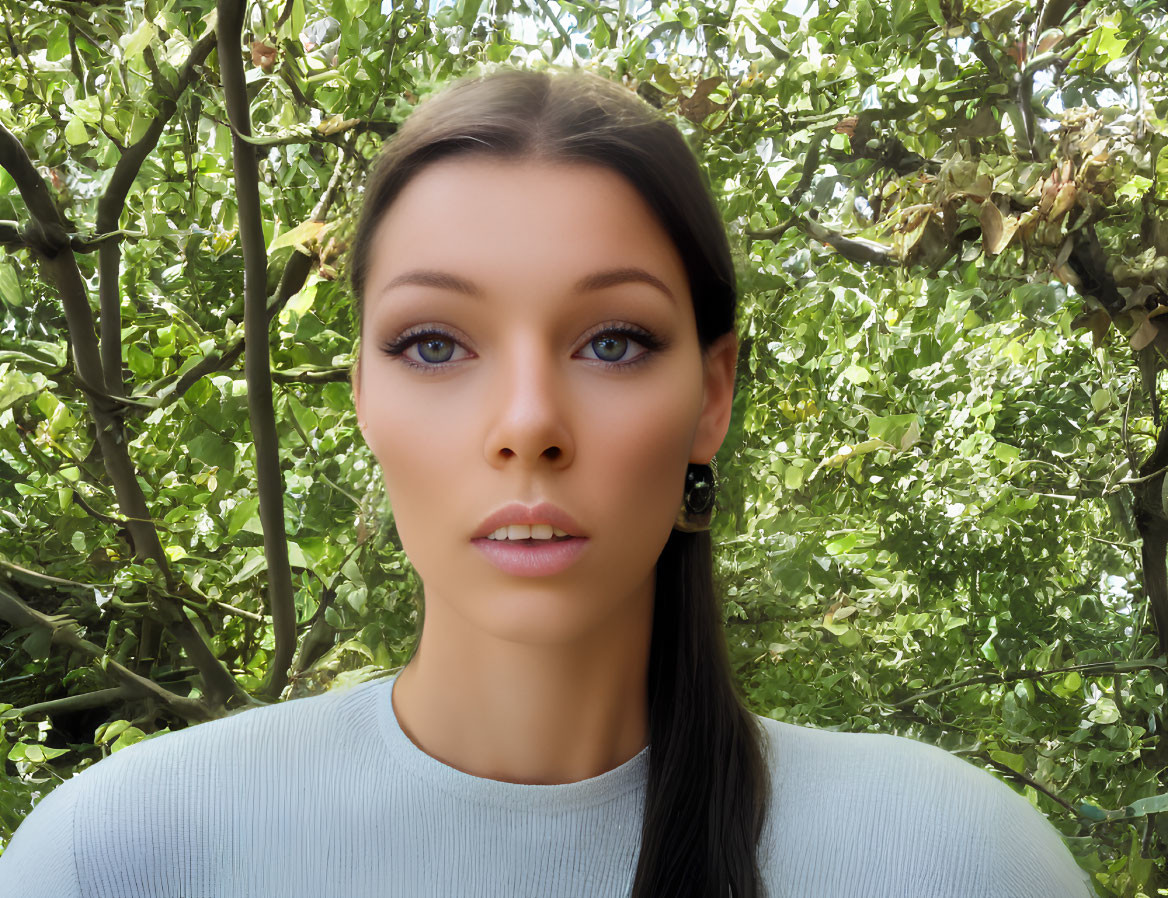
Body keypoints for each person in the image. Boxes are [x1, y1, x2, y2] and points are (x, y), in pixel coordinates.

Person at [0, 64, 1096, 898]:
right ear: (364, 399)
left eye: (612, 341)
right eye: (435, 344)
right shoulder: (118, 857)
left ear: (710, 397)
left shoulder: (956, 859)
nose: (527, 424)